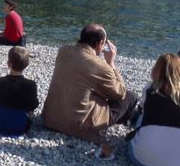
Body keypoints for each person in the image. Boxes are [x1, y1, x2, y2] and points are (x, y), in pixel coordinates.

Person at [41, 24, 138, 152]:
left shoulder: (63, 51)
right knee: (131, 96)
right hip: (78, 126)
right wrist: (111, 64)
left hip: (50, 119)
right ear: (101, 43)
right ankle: (125, 122)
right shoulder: (101, 67)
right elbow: (120, 94)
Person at [0, 46, 39, 136]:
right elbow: (33, 105)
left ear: (8, 64)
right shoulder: (30, 84)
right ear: (26, 65)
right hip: (20, 125)